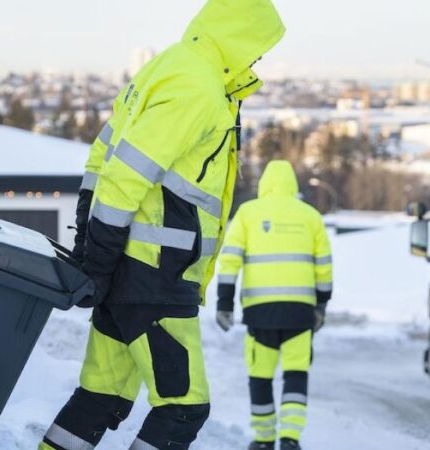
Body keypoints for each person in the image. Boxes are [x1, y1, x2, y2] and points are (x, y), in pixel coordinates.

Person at [40, 1, 285, 449]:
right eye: (258, 49)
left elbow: (103, 159)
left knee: (100, 396)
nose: (257, 60)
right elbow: (125, 176)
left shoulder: (167, 67)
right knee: (183, 409)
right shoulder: (200, 88)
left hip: (130, 269)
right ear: (238, 36)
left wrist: (96, 252)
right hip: (156, 274)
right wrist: (99, 257)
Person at [215, 160, 333, 450]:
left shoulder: (248, 214)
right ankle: (290, 439)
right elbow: (324, 267)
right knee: (296, 374)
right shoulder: (310, 216)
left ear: (264, 183)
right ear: (292, 183)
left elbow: (229, 261)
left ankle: (264, 440)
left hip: (260, 313)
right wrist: (321, 305)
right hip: (299, 313)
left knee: (260, 376)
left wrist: (224, 303)